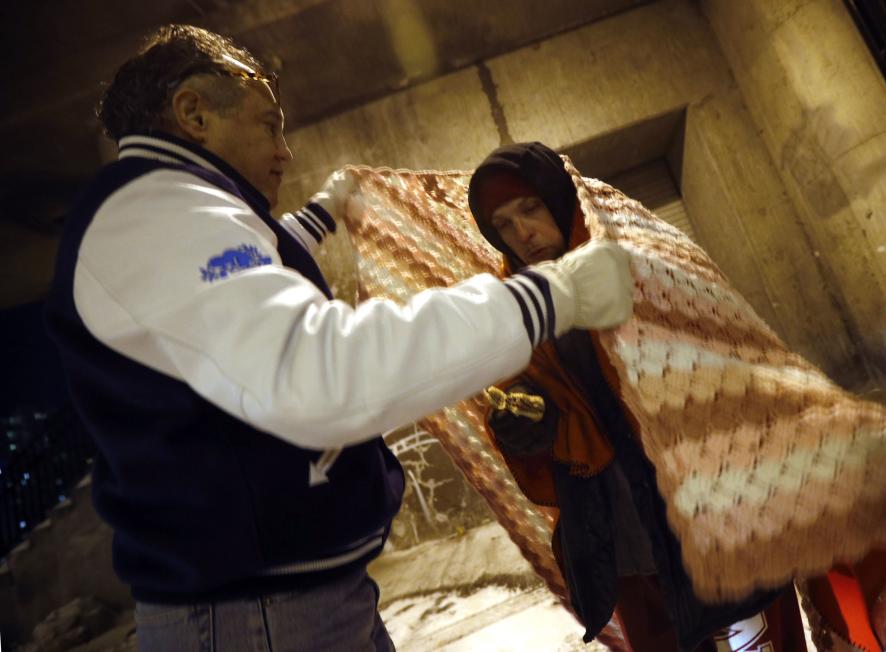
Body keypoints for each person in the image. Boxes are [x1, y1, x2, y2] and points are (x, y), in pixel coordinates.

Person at [43, 26, 634, 652]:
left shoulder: (165, 215)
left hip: (275, 603)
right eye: (268, 124)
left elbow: (248, 273)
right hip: (259, 619)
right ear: (194, 113)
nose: (285, 151)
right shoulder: (160, 213)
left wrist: (328, 208)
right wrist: (551, 296)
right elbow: (315, 374)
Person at [468, 142, 809, 652]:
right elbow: (536, 419)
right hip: (626, 543)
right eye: (504, 225)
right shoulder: (521, 312)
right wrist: (523, 427)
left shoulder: (643, 266)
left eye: (530, 208)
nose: (523, 233)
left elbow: (733, 368)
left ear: (559, 198)